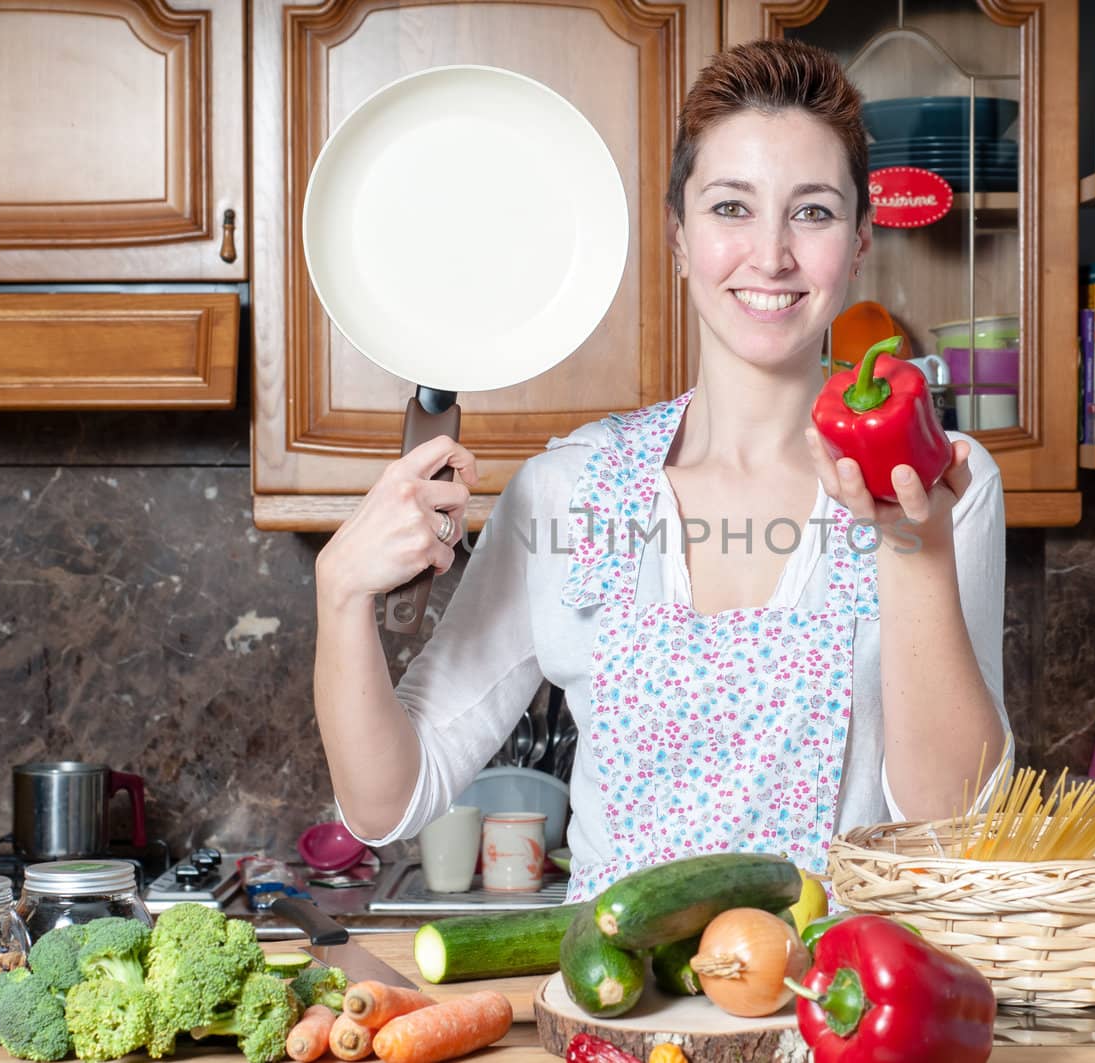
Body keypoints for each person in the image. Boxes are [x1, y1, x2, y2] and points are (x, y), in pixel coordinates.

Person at [313, 37, 1011, 901]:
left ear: (861, 241)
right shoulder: (569, 491)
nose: (771, 255)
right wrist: (340, 591)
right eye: (730, 208)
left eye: (814, 212)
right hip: (619, 1015)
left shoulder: (940, 481)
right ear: (679, 237)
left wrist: (914, 549)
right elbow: (389, 800)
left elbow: (953, 823)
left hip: (838, 1014)